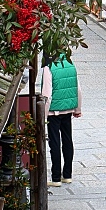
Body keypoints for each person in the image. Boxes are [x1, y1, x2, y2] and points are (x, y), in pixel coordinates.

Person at [39, 53, 82, 187]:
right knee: (68, 140)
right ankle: (67, 175)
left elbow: (47, 94)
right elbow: (78, 89)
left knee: (55, 143)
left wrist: (43, 115)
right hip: (68, 109)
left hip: (54, 111)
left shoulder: (49, 68)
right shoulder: (70, 64)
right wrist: (77, 108)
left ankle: (56, 177)